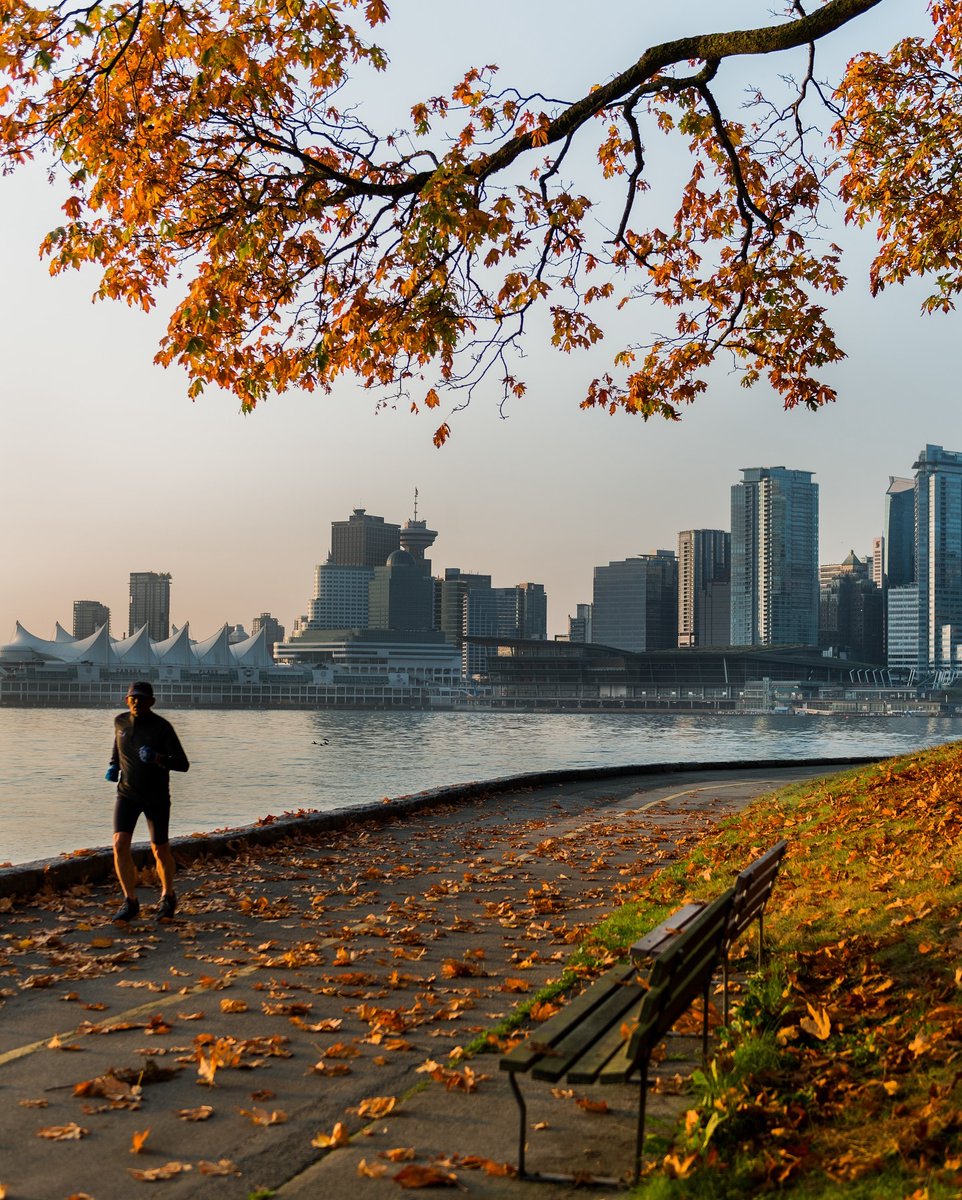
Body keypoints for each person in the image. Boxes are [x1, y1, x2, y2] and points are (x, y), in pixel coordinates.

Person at [105, 680, 190, 922]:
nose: (137, 702)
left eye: (142, 699)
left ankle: (167, 895)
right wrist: (113, 765)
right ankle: (130, 900)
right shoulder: (120, 722)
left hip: (156, 796)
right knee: (120, 844)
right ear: (126, 699)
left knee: (159, 849)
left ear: (152, 702)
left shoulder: (162, 727)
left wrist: (159, 758)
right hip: (127, 794)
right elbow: (118, 746)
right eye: (133, 698)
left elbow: (183, 764)